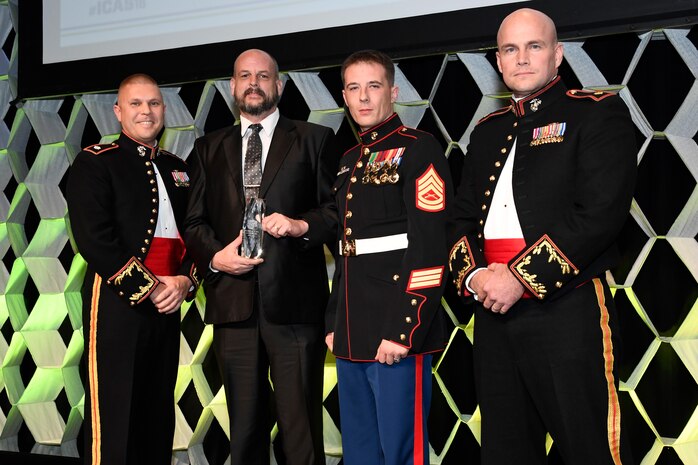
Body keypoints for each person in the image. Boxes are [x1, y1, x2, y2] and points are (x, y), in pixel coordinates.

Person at [449, 8, 636, 464]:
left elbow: (598, 215)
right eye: (511, 49)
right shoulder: (486, 132)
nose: (523, 58)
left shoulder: (596, 113)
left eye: (534, 46)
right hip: (492, 310)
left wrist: (517, 278)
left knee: (589, 444)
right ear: (498, 61)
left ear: (558, 54)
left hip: (566, 308)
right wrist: (475, 279)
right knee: (505, 449)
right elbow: (461, 220)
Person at [183, 49, 338, 465]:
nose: (254, 83)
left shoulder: (314, 139)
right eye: (244, 76)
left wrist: (300, 226)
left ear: (279, 86)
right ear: (232, 86)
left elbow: (335, 213)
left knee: (300, 429)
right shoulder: (206, 148)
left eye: (263, 76)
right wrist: (217, 258)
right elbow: (193, 222)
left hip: (294, 307)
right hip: (233, 305)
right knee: (245, 431)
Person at [325, 49, 453, 465]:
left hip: (396, 333)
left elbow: (430, 248)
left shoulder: (420, 149)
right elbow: (347, 252)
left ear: (393, 92)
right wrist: (334, 324)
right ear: (344, 96)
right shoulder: (347, 161)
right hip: (350, 335)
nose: (363, 98)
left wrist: (405, 329)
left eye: (373, 86)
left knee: (401, 453)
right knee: (361, 453)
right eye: (354, 88)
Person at [67, 74, 198, 465]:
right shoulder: (95, 162)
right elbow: (94, 238)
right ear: (118, 111)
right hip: (116, 305)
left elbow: (196, 232)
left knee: (156, 414)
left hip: (169, 303)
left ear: (164, 110)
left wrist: (185, 281)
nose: (146, 111)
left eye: (154, 104)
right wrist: (150, 288)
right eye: (136, 104)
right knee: (116, 416)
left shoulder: (179, 169)